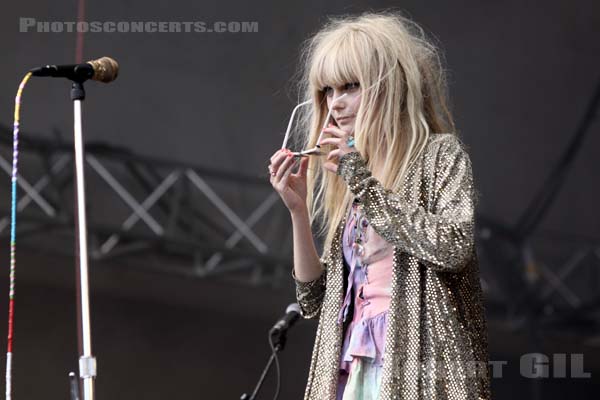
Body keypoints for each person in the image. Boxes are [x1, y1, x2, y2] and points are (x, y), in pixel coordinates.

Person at [268, 12, 490, 400]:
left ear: (390, 85)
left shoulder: (439, 156)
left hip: (420, 367)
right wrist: (298, 212)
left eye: (351, 86)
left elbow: (453, 246)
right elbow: (314, 300)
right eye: (327, 92)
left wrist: (361, 179)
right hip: (356, 366)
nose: (336, 104)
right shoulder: (354, 182)